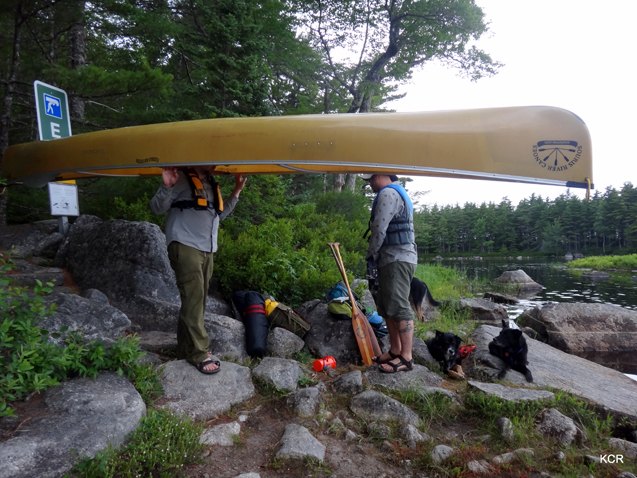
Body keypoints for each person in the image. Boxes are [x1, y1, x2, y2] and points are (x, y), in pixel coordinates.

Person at [150, 166, 247, 374]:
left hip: (207, 247)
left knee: (197, 300)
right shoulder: (182, 179)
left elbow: (218, 215)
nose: (214, 163)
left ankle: (185, 348)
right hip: (185, 244)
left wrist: (237, 191)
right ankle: (200, 352)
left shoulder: (210, 182)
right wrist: (166, 186)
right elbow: (157, 208)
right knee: (194, 298)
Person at [361, 173, 417, 373]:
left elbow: (379, 228)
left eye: (371, 179)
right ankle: (395, 350)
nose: (370, 184)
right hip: (391, 258)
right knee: (386, 307)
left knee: (399, 306)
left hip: (397, 258)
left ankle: (406, 357)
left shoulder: (388, 194)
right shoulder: (395, 192)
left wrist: (371, 254)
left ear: (382, 175)